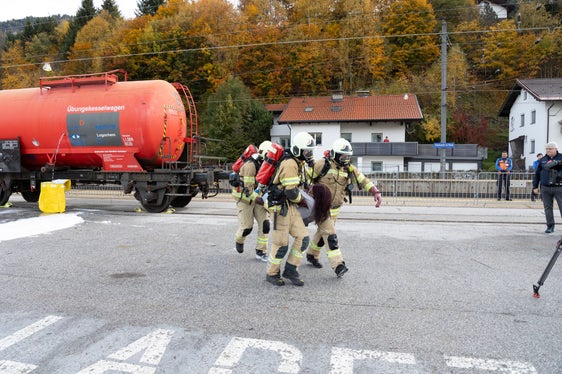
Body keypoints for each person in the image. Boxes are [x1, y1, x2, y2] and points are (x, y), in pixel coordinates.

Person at [304, 138, 382, 277]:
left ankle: (311, 254)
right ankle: (338, 265)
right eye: (343, 156)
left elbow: (363, 180)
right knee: (331, 236)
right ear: (334, 154)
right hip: (322, 208)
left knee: (323, 234)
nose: (345, 159)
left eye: (347, 156)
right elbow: (306, 177)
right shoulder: (322, 164)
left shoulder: (348, 168)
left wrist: (375, 191)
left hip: (335, 209)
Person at [265, 132, 315, 286]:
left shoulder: (298, 163)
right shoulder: (290, 164)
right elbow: (291, 192)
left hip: (290, 206)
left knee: (303, 238)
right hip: (280, 208)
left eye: (310, 151)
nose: (309, 154)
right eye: (307, 151)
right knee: (281, 244)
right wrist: (304, 201)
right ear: (298, 150)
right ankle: (272, 274)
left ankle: (291, 269)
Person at [232, 141, 272, 261]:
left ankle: (261, 251)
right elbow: (248, 190)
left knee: (265, 224)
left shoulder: (266, 164)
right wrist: (261, 200)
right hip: (244, 200)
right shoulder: (250, 165)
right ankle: (239, 240)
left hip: (257, 198)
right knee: (247, 227)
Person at [533, 143, 562, 233]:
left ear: (556, 149)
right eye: (547, 149)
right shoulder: (543, 160)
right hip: (545, 187)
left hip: (559, 188)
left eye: (550, 149)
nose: (548, 150)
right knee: (547, 208)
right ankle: (550, 226)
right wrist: (535, 186)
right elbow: (537, 174)